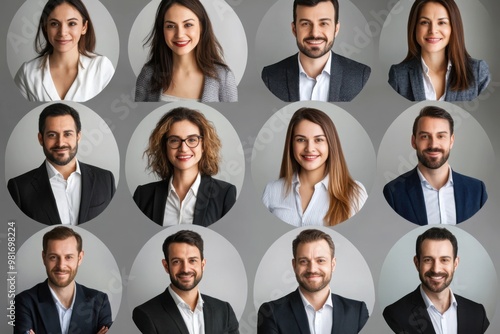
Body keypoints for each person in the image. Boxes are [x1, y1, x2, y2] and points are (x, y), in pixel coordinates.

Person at [7, 103, 116, 225]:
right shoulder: (19, 188)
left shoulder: (106, 179)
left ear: (78, 136)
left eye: (67, 134)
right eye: (52, 135)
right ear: (41, 138)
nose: (60, 143)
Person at [262, 107, 367, 226]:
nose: (309, 148)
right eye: (301, 140)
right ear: (291, 145)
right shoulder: (271, 191)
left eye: (318, 140)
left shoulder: (355, 193)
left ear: (331, 145)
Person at [383, 105, 487, 225]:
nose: (433, 145)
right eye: (425, 136)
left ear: (451, 141)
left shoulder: (477, 190)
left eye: (441, 136)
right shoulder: (393, 193)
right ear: (413, 141)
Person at [133, 107, 236, 226]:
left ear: (203, 146)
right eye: (174, 140)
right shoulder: (143, 195)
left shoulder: (225, 194)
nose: (183, 148)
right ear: (165, 147)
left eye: (192, 140)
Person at [258, 229, 368, 333]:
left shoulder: (357, 312)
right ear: (294, 265)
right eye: (304, 261)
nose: (312, 269)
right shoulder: (271, 313)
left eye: (320, 260)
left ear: (333, 264)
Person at [383, 227, 489, 333]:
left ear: (455, 264)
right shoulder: (394, 315)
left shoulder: (478, 313)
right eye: (428, 260)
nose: (436, 269)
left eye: (444, 260)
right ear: (417, 263)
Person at [261, 0, 370, 102]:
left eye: (323, 23)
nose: (315, 33)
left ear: (336, 29)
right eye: (305, 24)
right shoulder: (269, 77)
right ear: (294, 29)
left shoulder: (361, 76)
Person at [132, 229, 239, 333]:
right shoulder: (145, 314)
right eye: (177, 261)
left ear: (202, 265)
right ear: (166, 266)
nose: (185, 269)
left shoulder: (224, 310)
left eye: (192, 260)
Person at [14, 226, 112, 334]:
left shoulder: (100, 302)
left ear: (80, 258)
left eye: (69, 257)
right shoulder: (24, 302)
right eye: (53, 257)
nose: (61, 266)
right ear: (44, 258)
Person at [135, 0, 237, 102]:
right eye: (170, 26)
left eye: (188, 25)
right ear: (162, 30)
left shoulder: (224, 77)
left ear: (201, 27)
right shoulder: (148, 74)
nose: (179, 34)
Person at [388, 0, 490, 101]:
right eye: (425, 22)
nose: (433, 30)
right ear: (414, 27)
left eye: (441, 22)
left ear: (453, 28)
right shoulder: (398, 75)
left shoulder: (478, 72)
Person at [13, 0, 115, 102]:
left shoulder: (101, 68)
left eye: (72, 23)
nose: (62, 33)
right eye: (54, 24)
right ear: (45, 27)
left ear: (84, 27)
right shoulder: (27, 73)